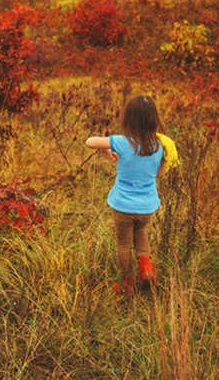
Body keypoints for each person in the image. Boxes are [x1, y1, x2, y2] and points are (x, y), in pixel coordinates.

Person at [85, 95, 177, 296]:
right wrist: (107, 151)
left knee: (124, 245)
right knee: (141, 233)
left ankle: (128, 285)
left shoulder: (122, 141)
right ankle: (147, 270)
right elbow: (160, 174)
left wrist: (107, 148)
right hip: (147, 206)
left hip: (123, 206)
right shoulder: (160, 146)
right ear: (154, 119)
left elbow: (90, 141)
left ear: (129, 119)